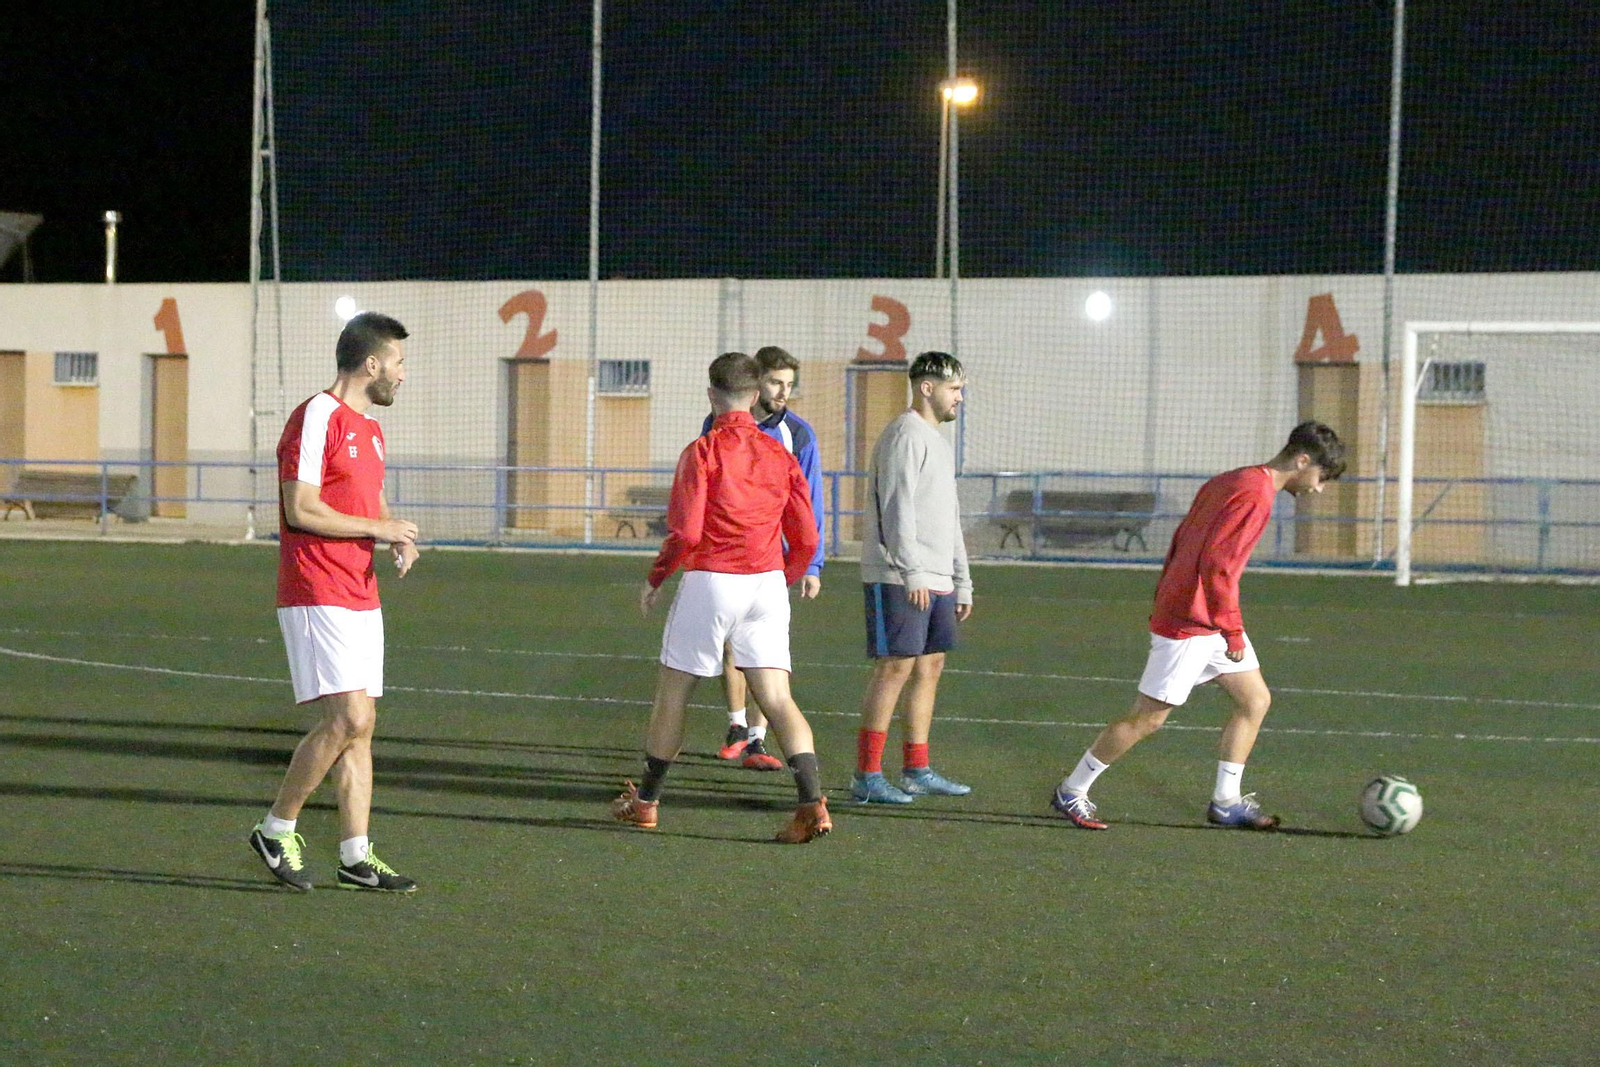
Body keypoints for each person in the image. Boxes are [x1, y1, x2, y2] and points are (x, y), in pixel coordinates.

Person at [1051, 420, 1347, 831]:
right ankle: (1072, 789)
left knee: (1254, 700)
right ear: (1301, 461)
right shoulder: (1255, 495)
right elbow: (1217, 565)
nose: (1319, 488)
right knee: (1148, 718)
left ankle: (1226, 801)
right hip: (1192, 621)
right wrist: (1231, 628)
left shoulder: (1236, 479)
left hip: (1203, 614)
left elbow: (1185, 538)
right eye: (1321, 477)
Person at [611, 351, 831, 843]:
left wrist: (656, 576)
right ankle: (811, 804)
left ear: (712, 394)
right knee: (778, 698)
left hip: (712, 580)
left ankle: (646, 803)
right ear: (754, 397)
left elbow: (687, 532)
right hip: (766, 583)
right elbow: (809, 538)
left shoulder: (702, 450)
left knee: (674, 694)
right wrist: (784, 576)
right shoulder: (779, 453)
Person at [247, 312, 422, 892]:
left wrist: (393, 534)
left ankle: (355, 857)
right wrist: (378, 527)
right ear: (371, 364)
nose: (402, 374)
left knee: (360, 729)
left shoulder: (370, 429)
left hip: (359, 590)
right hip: (315, 586)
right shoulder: (315, 416)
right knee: (348, 717)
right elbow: (300, 508)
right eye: (398, 362)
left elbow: (369, 498)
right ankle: (276, 829)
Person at [851, 351, 975, 805]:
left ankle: (916, 769)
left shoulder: (937, 441)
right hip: (900, 576)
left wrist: (961, 579)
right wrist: (912, 570)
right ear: (927, 387)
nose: (959, 397)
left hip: (936, 577)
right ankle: (867, 775)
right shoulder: (905, 435)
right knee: (895, 667)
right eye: (954, 388)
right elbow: (896, 508)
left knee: (930, 665)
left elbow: (949, 517)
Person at [699, 346, 825, 772]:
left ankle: (757, 737)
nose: (783, 392)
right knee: (730, 645)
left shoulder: (798, 435)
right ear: (755, 387)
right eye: (775, 382)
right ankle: (736, 725)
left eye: (789, 384)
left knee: (762, 652)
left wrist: (812, 564)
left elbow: (812, 500)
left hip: (774, 561)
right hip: (726, 557)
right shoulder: (716, 425)